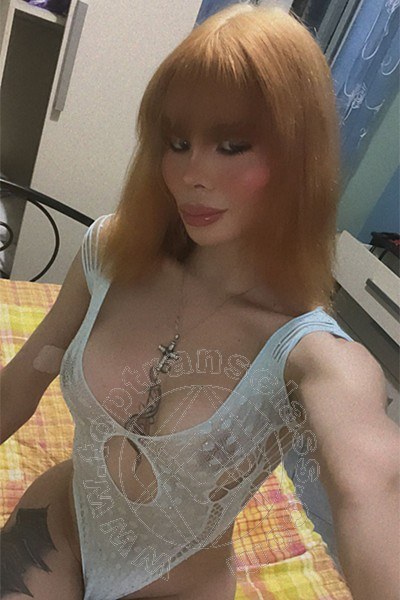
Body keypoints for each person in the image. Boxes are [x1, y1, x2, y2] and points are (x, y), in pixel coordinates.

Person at [1, 3, 399, 600]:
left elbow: (372, 488)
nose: (192, 174)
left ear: (299, 158)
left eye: (232, 145)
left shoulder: (314, 356)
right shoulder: (109, 253)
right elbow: (19, 386)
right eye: (178, 142)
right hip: (57, 529)